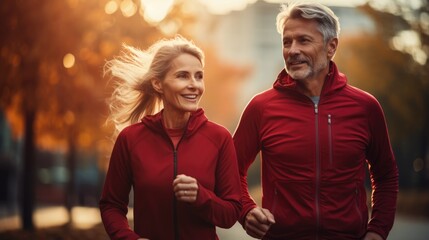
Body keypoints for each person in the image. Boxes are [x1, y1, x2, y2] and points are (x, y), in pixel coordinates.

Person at [233, 2, 399, 240]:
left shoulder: (366, 107)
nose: (292, 50)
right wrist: (246, 211)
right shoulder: (261, 108)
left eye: (303, 40)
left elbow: (386, 175)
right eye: (287, 41)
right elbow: (229, 169)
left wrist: (378, 230)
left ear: (331, 47)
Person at [99, 35, 241, 240]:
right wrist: (129, 238)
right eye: (183, 76)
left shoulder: (219, 138)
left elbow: (231, 212)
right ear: (158, 84)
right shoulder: (131, 139)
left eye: (199, 76)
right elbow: (111, 205)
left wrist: (201, 196)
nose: (194, 85)